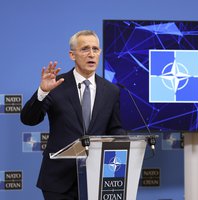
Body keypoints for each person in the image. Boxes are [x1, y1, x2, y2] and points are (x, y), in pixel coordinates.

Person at [21, 30, 125, 200]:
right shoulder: (56, 84)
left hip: (96, 179)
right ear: (72, 55)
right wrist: (42, 92)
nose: (91, 54)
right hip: (58, 180)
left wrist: (125, 145)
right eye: (85, 49)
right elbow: (29, 119)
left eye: (95, 49)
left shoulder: (111, 90)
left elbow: (115, 128)